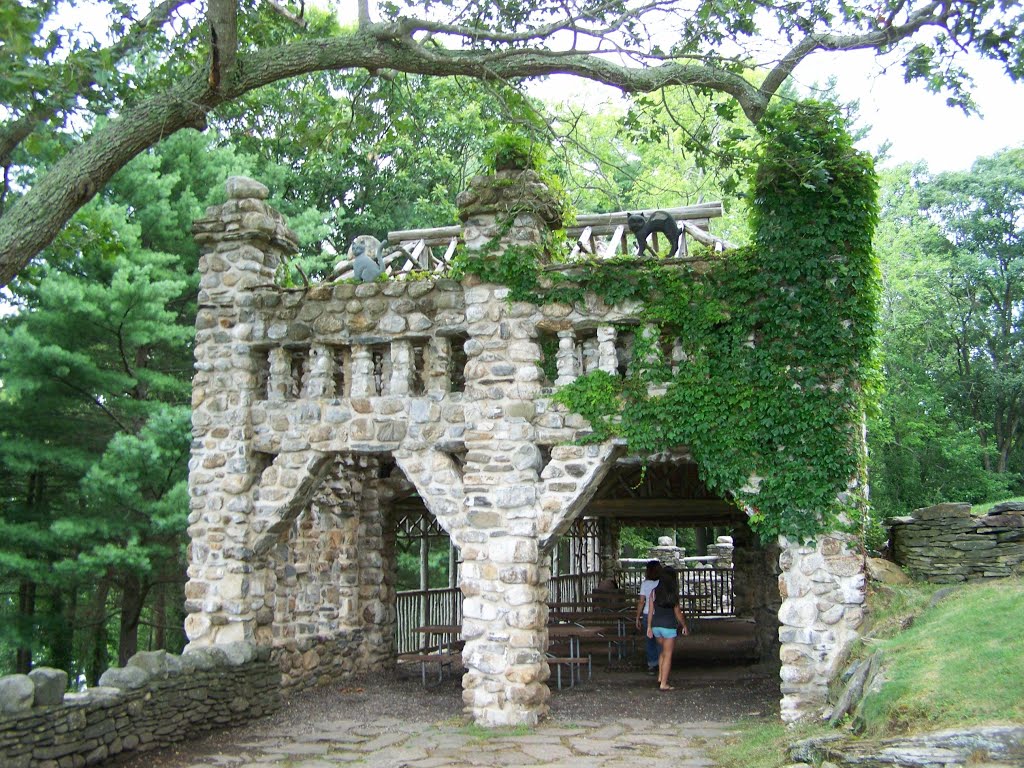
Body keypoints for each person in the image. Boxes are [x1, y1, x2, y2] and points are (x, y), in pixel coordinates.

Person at [646, 565, 689, 691]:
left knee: (662, 652)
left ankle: (660, 676)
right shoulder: (672, 594)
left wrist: (649, 627)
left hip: (656, 626)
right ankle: (664, 683)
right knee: (668, 654)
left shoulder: (654, 591)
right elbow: (678, 613)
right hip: (668, 627)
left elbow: (650, 611)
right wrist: (684, 625)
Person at [635, 560, 662, 675]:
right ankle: (662, 663)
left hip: (647, 613)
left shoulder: (645, 584)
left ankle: (652, 664)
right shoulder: (662, 583)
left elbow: (641, 601)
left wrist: (637, 617)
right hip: (660, 614)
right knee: (661, 640)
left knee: (649, 640)